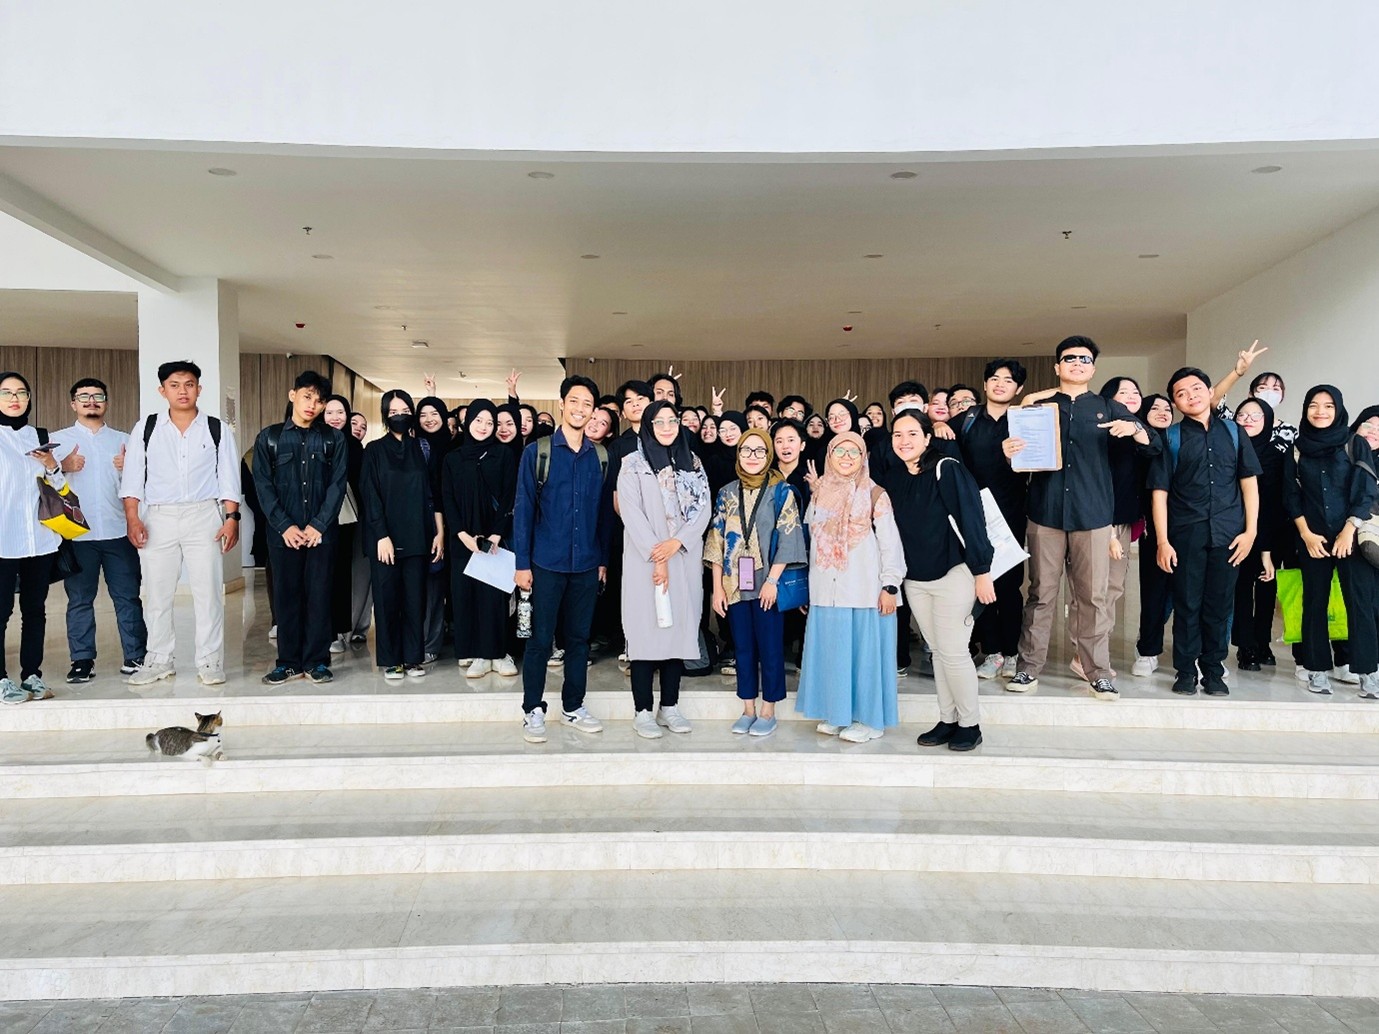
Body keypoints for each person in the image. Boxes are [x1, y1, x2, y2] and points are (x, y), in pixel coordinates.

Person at [1005, 336, 1156, 700]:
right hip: (1045, 512)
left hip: (1094, 515)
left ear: (1093, 368)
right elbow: (1017, 456)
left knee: (1093, 598)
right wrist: (1010, 451)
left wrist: (1134, 429)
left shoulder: (1109, 407)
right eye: (1069, 358)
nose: (1077, 363)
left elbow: (1153, 442)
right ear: (1057, 366)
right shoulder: (1039, 407)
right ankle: (1028, 669)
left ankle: (1098, 673)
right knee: (1040, 594)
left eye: (1084, 359)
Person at [120, 361, 241, 687]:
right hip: (158, 517)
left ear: (199, 389)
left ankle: (210, 660)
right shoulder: (146, 428)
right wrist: (133, 517)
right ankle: (159, 659)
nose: (182, 391)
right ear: (163, 391)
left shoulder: (216, 429)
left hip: (204, 516)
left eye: (189, 384)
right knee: (157, 594)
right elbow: (133, 477)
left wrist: (231, 519)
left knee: (208, 593)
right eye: (174, 385)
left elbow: (229, 478)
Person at [885, 411, 996, 750]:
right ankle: (948, 719)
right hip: (916, 579)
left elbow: (972, 520)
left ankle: (970, 724)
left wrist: (982, 572)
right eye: (898, 434)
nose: (904, 440)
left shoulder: (947, 468)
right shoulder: (895, 477)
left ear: (927, 437)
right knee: (938, 652)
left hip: (954, 573)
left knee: (954, 652)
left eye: (912, 434)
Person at [1150, 368, 1261, 697]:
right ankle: (1185, 671)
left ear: (1210, 392)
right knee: (1187, 604)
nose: (1191, 396)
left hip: (1229, 535)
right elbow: (1160, 493)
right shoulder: (1171, 438)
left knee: (1219, 606)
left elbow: (1249, 484)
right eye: (1181, 393)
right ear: (1175, 403)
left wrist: (1251, 531)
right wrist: (1162, 541)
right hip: (1186, 534)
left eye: (1197, 388)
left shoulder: (1234, 432)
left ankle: (1213, 670)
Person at [513, 375, 609, 743]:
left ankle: (573, 706)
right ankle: (532, 710)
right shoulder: (537, 452)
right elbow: (523, 511)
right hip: (545, 564)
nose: (581, 409)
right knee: (540, 640)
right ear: (562, 405)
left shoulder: (600, 457)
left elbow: (603, 516)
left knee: (579, 640)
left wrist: (601, 560)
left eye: (588, 404)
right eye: (575, 401)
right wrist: (522, 564)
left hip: (585, 564)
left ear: (593, 411)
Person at [795, 430, 904, 742]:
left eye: (853, 452)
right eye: (839, 451)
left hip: (864, 591)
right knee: (834, 656)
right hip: (825, 591)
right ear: (829, 456)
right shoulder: (820, 493)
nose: (846, 457)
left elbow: (891, 545)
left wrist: (890, 586)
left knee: (865, 659)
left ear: (863, 457)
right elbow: (812, 542)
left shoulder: (875, 494)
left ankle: (870, 721)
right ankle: (839, 714)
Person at [617, 400, 711, 737]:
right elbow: (631, 513)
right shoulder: (632, 464)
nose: (667, 427)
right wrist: (659, 556)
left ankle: (669, 705)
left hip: (683, 559)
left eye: (673, 420)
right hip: (646, 562)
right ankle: (642, 711)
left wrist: (677, 543)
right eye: (659, 422)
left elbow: (703, 509)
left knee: (678, 632)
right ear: (648, 426)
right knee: (645, 633)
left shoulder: (693, 463)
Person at [704, 428, 805, 737]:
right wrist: (717, 588)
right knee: (743, 649)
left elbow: (789, 537)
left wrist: (773, 581)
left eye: (759, 451)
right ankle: (748, 709)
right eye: (746, 450)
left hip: (766, 584)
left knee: (770, 648)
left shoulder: (781, 491)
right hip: (734, 584)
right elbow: (717, 540)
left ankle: (768, 711)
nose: (752, 456)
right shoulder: (726, 492)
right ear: (738, 454)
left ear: (768, 455)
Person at [253, 371, 349, 685]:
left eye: (319, 401)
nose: (312, 405)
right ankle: (288, 662)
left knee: (320, 596)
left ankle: (317, 661)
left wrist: (319, 525)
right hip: (283, 535)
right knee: (286, 597)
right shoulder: (269, 437)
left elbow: (337, 485)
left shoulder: (333, 439)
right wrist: (285, 526)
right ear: (293, 395)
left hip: (322, 534)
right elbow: (263, 486)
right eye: (307, 397)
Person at [50, 378, 147, 683]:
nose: (91, 401)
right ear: (73, 404)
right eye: (84, 397)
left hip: (119, 532)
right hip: (77, 536)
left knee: (128, 597)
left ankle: (136, 655)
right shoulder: (56, 442)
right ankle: (82, 660)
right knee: (80, 600)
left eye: (98, 396)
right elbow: (39, 485)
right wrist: (62, 465)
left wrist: (131, 467)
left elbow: (144, 485)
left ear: (106, 402)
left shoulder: (125, 441)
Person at [1284, 385, 1378, 697]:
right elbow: (1291, 495)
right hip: (1312, 538)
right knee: (1315, 602)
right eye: (1314, 405)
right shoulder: (1296, 449)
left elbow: (1366, 491)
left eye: (1328, 406)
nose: (1320, 411)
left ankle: (1368, 673)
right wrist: (1306, 534)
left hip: (1351, 535)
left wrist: (1349, 530)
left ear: (1338, 410)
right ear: (1305, 410)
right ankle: (1316, 670)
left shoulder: (1354, 443)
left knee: (1359, 603)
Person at [360, 390, 444, 680]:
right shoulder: (373, 450)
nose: (399, 416)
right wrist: (381, 535)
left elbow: (433, 493)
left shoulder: (422, 449)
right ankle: (391, 660)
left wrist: (439, 533)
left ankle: (412, 658)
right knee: (387, 601)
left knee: (414, 600)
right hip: (385, 540)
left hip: (419, 536)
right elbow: (370, 496)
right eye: (393, 411)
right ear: (385, 415)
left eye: (405, 410)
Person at [954, 360, 1028, 680]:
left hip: (1012, 515)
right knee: (978, 584)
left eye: (1008, 380)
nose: (1000, 384)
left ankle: (1012, 653)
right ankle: (993, 651)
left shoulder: (1025, 421)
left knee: (1009, 586)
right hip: (973, 516)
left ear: (1019, 389)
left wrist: (1014, 458)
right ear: (984, 385)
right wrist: (940, 427)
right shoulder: (966, 420)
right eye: (994, 379)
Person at [0, 372, 67, 704]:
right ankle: (1, 680)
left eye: (21, 392)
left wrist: (53, 465)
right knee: (1, 612)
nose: (14, 399)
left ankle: (31, 675)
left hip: (39, 539)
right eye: (6, 392)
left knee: (35, 610)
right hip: (3, 540)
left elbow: (59, 487)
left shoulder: (39, 436)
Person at [442, 400, 519, 678]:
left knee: (494, 597)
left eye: (490, 422)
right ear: (468, 422)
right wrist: (462, 534)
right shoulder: (452, 458)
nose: (484, 427)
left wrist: (497, 533)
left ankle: (497, 653)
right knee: (466, 596)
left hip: (495, 538)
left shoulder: (504, 454)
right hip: (463, 539)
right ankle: (476, 654)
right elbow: (447, 498)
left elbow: (510, 495)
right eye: (479, 420)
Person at [1231, 397, 1286, 671]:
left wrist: (1265, 548)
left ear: (1268, 421)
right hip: (1235, 532)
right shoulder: (1229, 450)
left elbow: (1274, 503)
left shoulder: (1277, 455)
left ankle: (1263, 643)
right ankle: (1246, 647)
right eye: (1242, 415)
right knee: (1241, 589)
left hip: (1269, 532)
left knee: (1266, 587)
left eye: (1256, 415)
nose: (1248, 420)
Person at [1133, 394, 1177, 675]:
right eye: (1155, 408)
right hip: (1152, 529)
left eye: (1167, 408)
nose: (1162, 412)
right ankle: (1148, 649)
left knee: (1181, 593)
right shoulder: (1138, 445)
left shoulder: (1178, 440)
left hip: (1186, 526)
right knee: (1154, 591)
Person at [323, 394, 370, 648]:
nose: (335, 417)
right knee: (320, 575)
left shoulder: (353, 446)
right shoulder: (315, 439)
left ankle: (339, 632)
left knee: (342, 575)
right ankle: (320, 630)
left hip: (346, 518)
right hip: (315, 519)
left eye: (340, 412)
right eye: (329, 412)